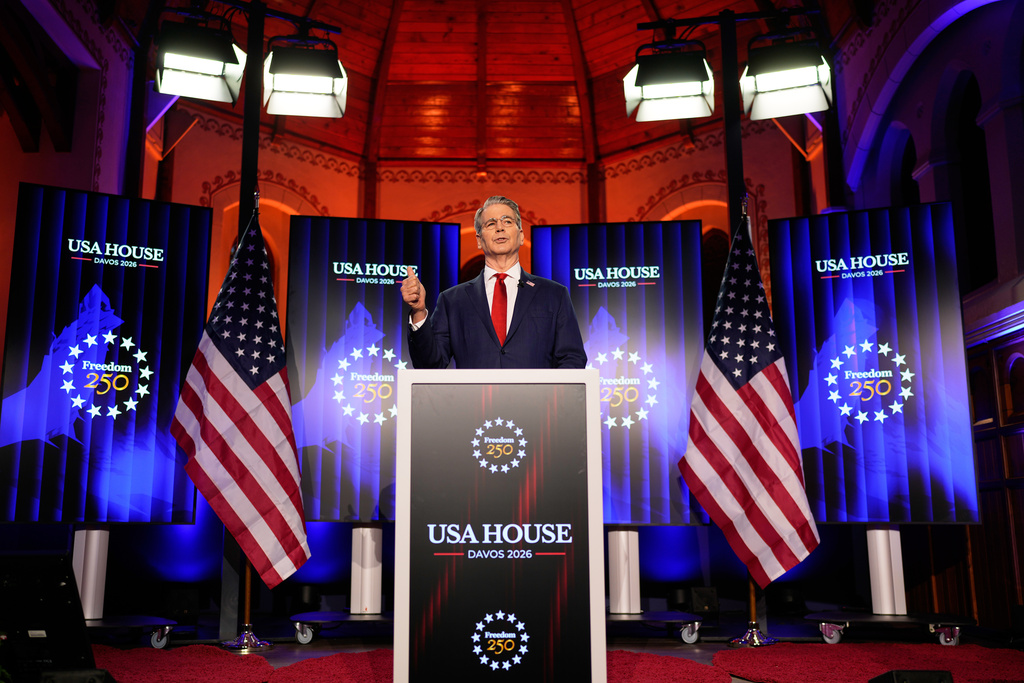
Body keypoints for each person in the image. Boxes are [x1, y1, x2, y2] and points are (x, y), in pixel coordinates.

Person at [402, 195, 587, 369]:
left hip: (536, 403)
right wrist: (419, 311)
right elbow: (430, 366)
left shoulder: (554, 294)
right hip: (474, 402)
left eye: (507, 221)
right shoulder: (452, 300)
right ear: (479, 240)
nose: (500, 228)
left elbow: (572, 359)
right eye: (491, 224)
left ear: (521, 235)